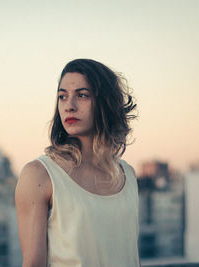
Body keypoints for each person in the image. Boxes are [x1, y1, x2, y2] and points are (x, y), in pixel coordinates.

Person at [15, 58, 140, 267]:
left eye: (82, 95)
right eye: (62, 97)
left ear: (105, 103)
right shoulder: (39, 175)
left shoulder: (129, 175)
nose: (69, 106)